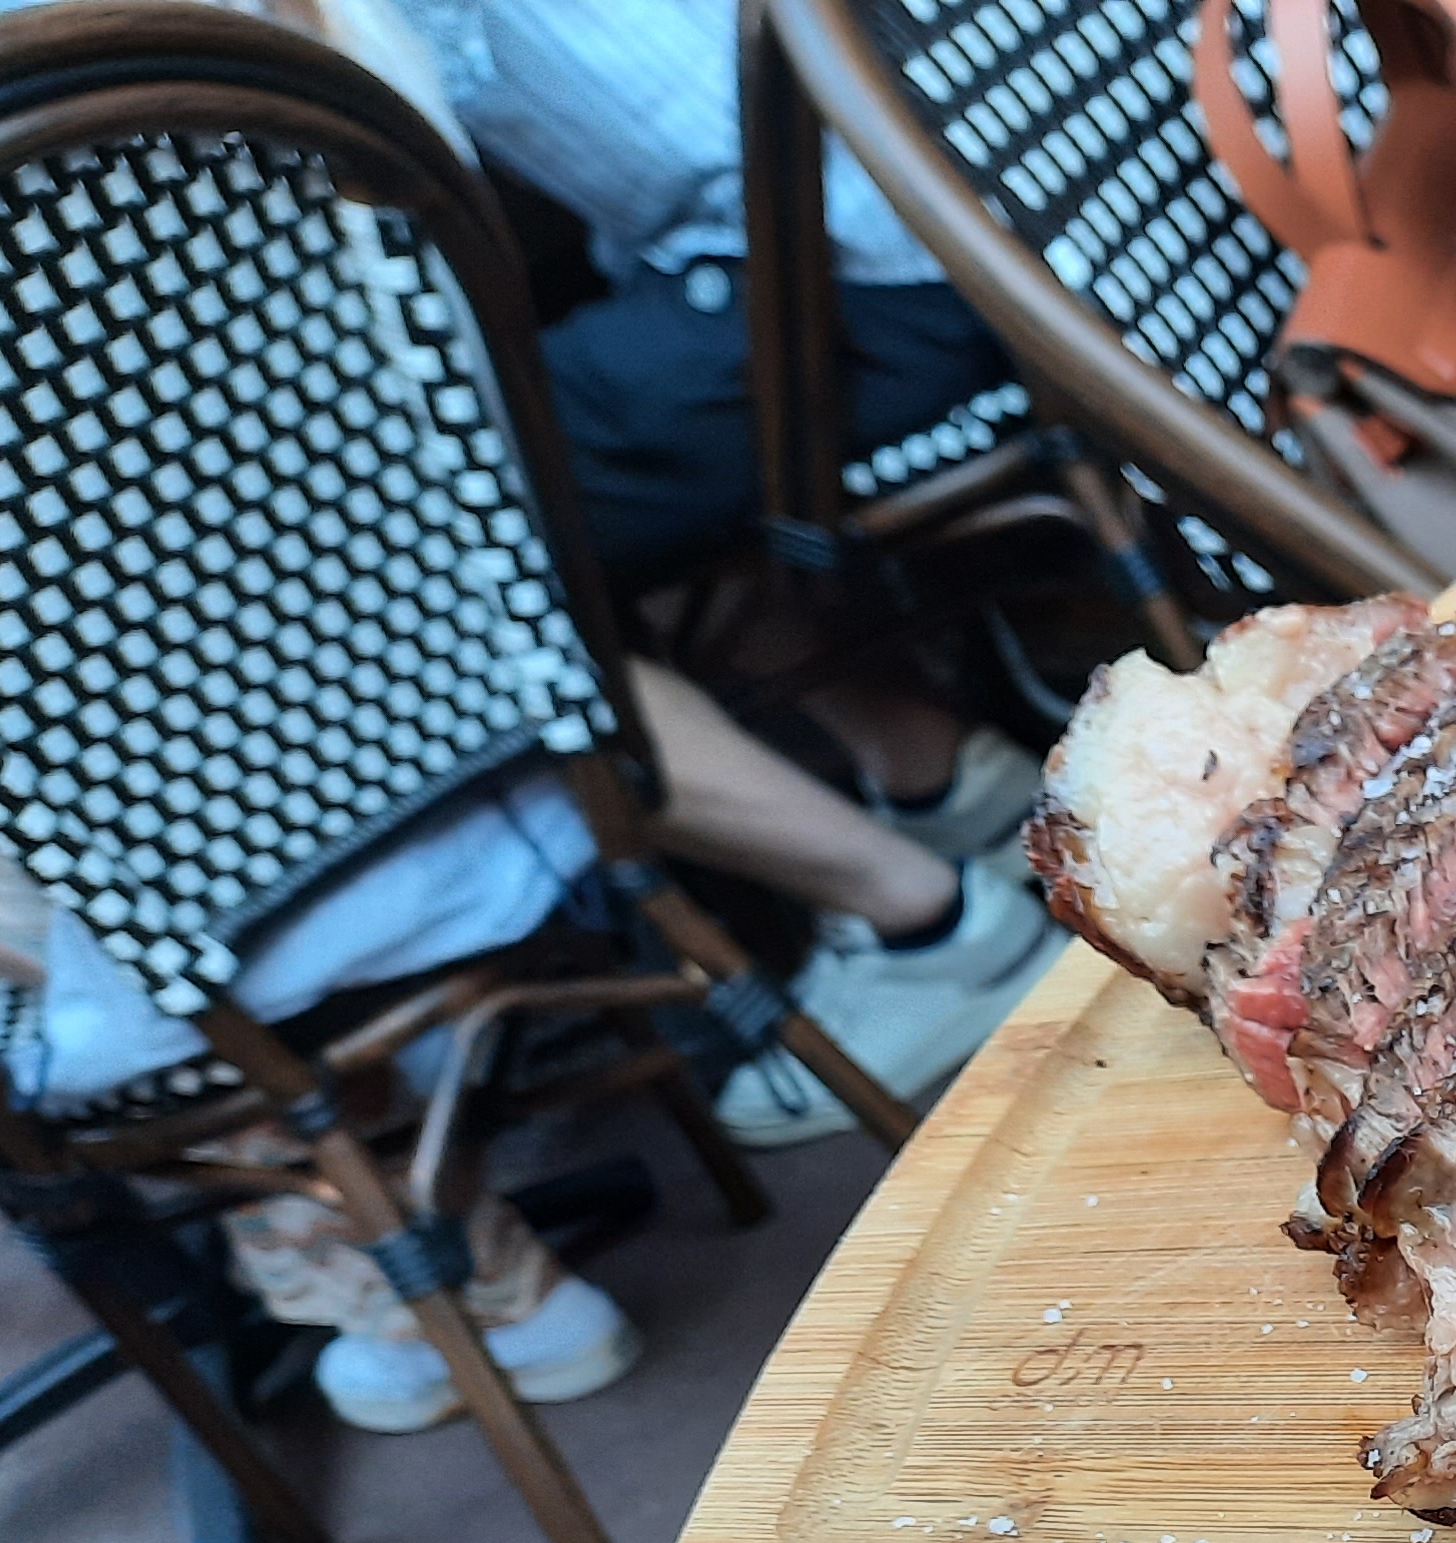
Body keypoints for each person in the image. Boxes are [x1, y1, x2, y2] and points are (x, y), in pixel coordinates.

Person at [407, 0, 1063, 1146]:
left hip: (854, 268)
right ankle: (940, 777)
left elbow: (378, 165)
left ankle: (929, 924)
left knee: (418, 545)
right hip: (1011, 182)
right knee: (551, 432)